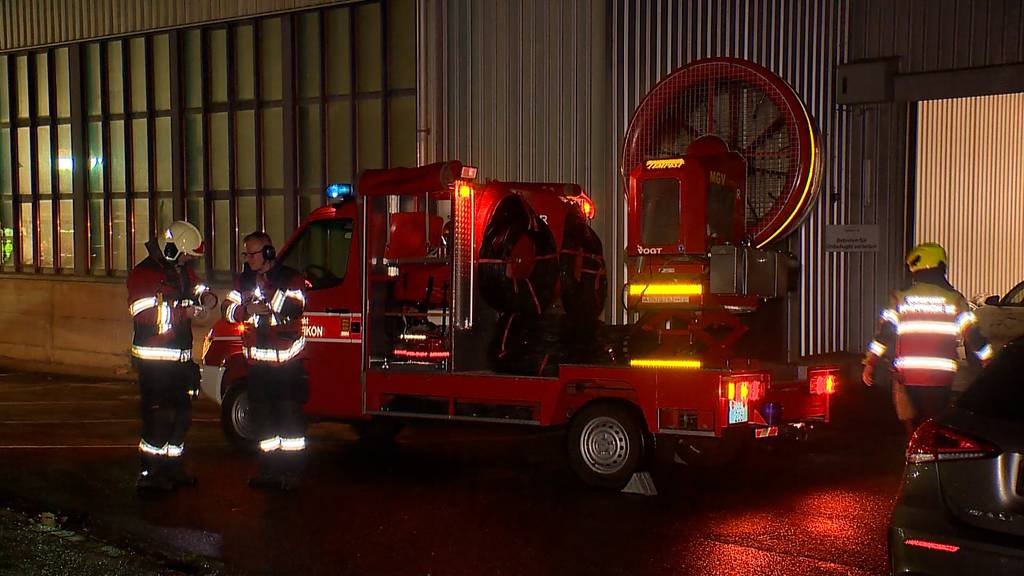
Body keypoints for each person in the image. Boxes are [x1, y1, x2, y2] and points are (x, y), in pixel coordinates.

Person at [862, 242, 993, 437]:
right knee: (936, 424)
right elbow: (973, 335)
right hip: (941, 377)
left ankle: (916, 457)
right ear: (940, 266)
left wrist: (870, 363)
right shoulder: (954, 298)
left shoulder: (900, 297)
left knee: (914, 428)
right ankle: (935, 458)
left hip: (908, 376)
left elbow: (885, 334)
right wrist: (989, 361)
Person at [127, 221, 216, 492]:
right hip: (155, 363)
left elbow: (199, 290)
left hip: (180, 360)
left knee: (181, 416)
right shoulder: (143, 274)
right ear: (172, 249)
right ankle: (150, 474)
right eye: (188, 254)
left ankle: (172, 468)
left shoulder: (181, 270)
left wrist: (208, 298)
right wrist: (183, 313)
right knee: (159, 418)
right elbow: (142, 314)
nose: (190, 260)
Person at [223, 231, 308, 491]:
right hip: (258, 366)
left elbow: (297, 306)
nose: (248, 259)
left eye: (252, 253)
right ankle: (268, 470)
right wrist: (246, 310)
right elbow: (227, 310)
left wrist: (270, 296)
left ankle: (291, 474)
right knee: (264, 420)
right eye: (246, 254)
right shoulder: (244, 280)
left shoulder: (290, 278)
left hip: (286, 365)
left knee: (289, 420)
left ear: (268, 253)